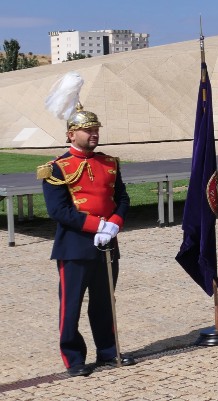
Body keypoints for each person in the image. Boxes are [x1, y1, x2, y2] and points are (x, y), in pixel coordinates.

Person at [38, 97, 136, 376]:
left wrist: (115, 223)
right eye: (87, 130)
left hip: (108, 243)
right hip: (74, 246)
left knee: (105, 301)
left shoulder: (109, 163)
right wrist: (97, 225)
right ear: (71, 134)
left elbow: (122, 198)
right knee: (71, 305)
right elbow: (59, 210)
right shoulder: (57, 168)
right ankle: (73, 358)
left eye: (96, 129)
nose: (94, 134)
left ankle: (107, 350)